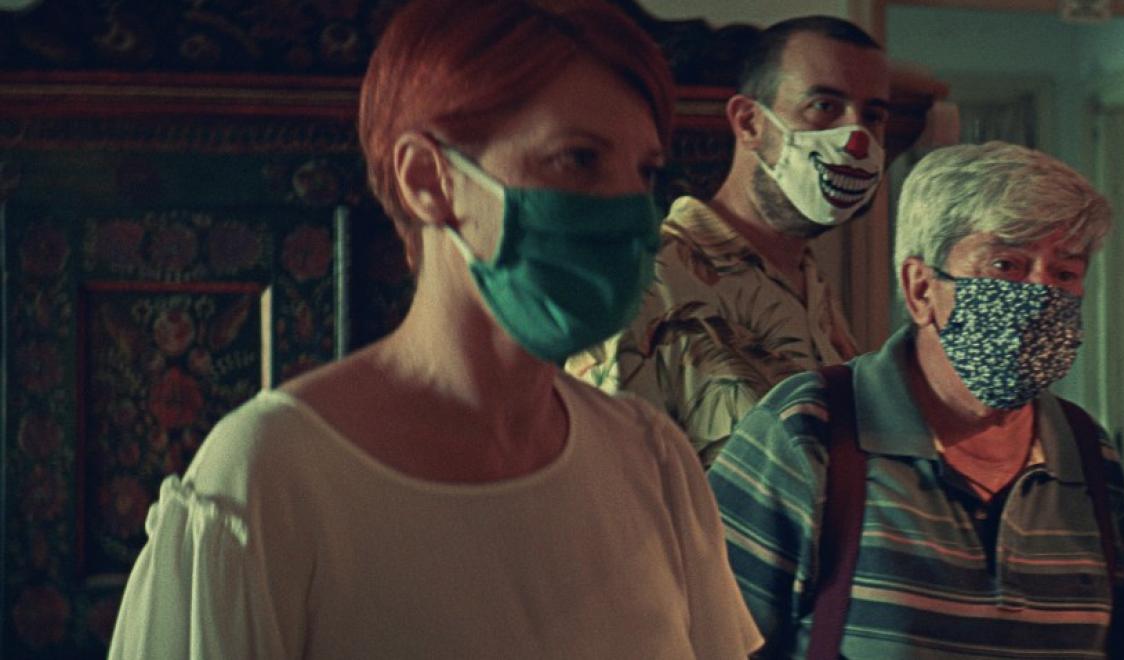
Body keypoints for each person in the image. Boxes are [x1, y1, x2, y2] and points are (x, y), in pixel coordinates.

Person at [108, 1, 759, 657]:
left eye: (645, 171)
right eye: (578, 159)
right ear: (428, 179)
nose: (633, 212)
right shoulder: (268, 477)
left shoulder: (652, 461)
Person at [708, 142, 1124, 658]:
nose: (1039, 297)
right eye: (1006, 264)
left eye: (1064, 274)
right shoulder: (808, 431)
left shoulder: (1088, 453)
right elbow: (708, 641)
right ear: (920, 289)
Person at [568, 16, 891, 465]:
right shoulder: (645, 284)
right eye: (824, 106)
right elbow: (603, 478)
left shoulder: (812, 288)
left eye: (872, 116)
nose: (856, 138)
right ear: (749, 122)